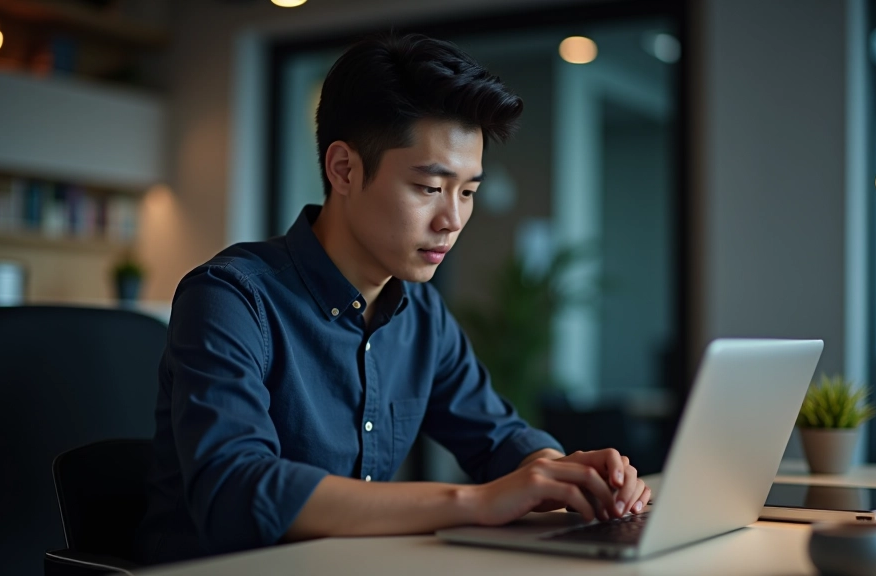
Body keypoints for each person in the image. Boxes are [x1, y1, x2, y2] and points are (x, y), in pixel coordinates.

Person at [134, 33, 650, 565]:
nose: (452, 220)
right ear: (344, 170)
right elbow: (236, 492)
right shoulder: (231, 298)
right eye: (430, 188)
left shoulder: (421, 314)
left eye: (467, 192)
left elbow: (498, 439)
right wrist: (473, 502)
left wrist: (568, 477)